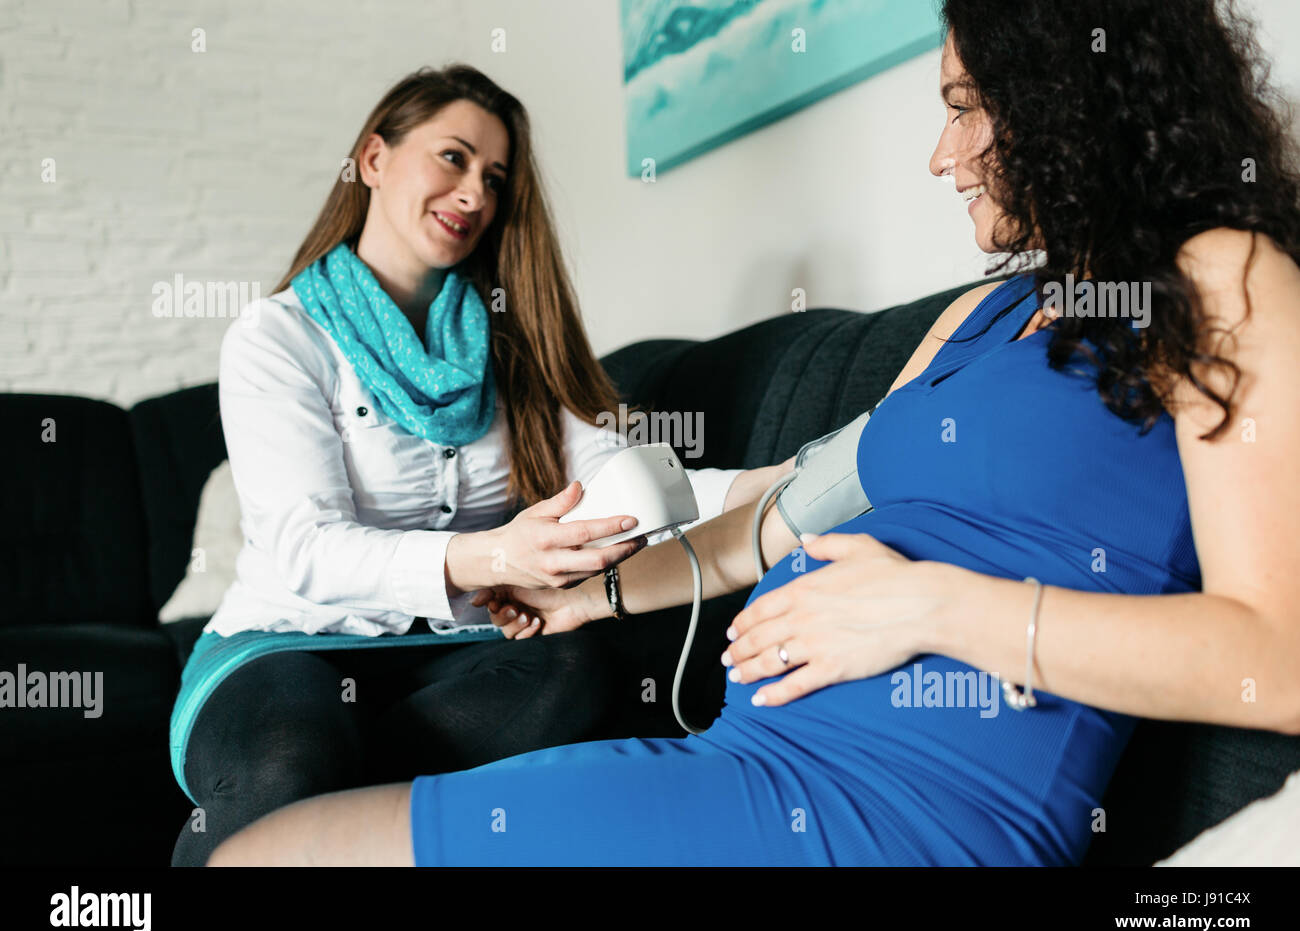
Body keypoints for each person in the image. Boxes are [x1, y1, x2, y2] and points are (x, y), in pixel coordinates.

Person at [206, 0, 1300, 866]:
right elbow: (782, 512)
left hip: (911, 809)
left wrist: (932, 605)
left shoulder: (1222, 277)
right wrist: (587, 592)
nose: (941, 154)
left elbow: (1279, 660)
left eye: (965, 107)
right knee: (269, 847)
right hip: (751, 753)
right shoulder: (983, 312)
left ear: (1068, 100)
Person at [168, 64, 791, 866]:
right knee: (291, 756)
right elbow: (304, 546)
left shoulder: (513, 338)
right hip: (291, 640)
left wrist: (783, 482)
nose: (476, 194)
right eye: (454, 158)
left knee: (581, 666)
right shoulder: (276, 338)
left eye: (494, 178)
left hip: (452, 651)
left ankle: (323, 824)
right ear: (373, 158)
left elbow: (622, 486)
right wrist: (493, 554)